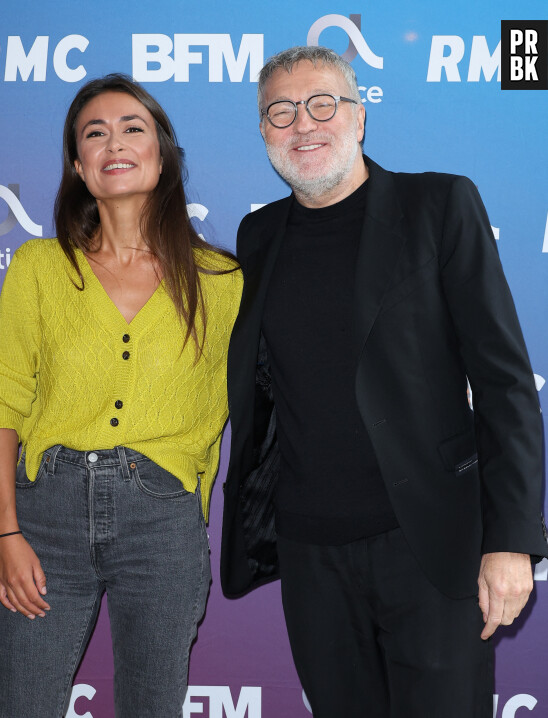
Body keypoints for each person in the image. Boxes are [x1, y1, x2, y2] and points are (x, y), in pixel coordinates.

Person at [220, 46, 548, 717]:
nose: (302, 124)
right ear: (263, 132)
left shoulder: (438, 204)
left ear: (359, 117)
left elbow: (505, 381)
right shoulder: (257, 235)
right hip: (310, 557)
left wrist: (512, 537)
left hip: (432, 546)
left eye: (321, 104)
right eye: (280, 113)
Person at [0, 73, 242, 718]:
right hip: (46, 521)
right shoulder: (40, 267)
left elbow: (230, 405)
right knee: (20, 705)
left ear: (163, 153)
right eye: (95, 133)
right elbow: (3, 398)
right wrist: (6, 530)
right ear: (77, 164)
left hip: (163, 524)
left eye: (133, 128)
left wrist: (189, 505)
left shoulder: (223, 280)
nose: (114, 143)